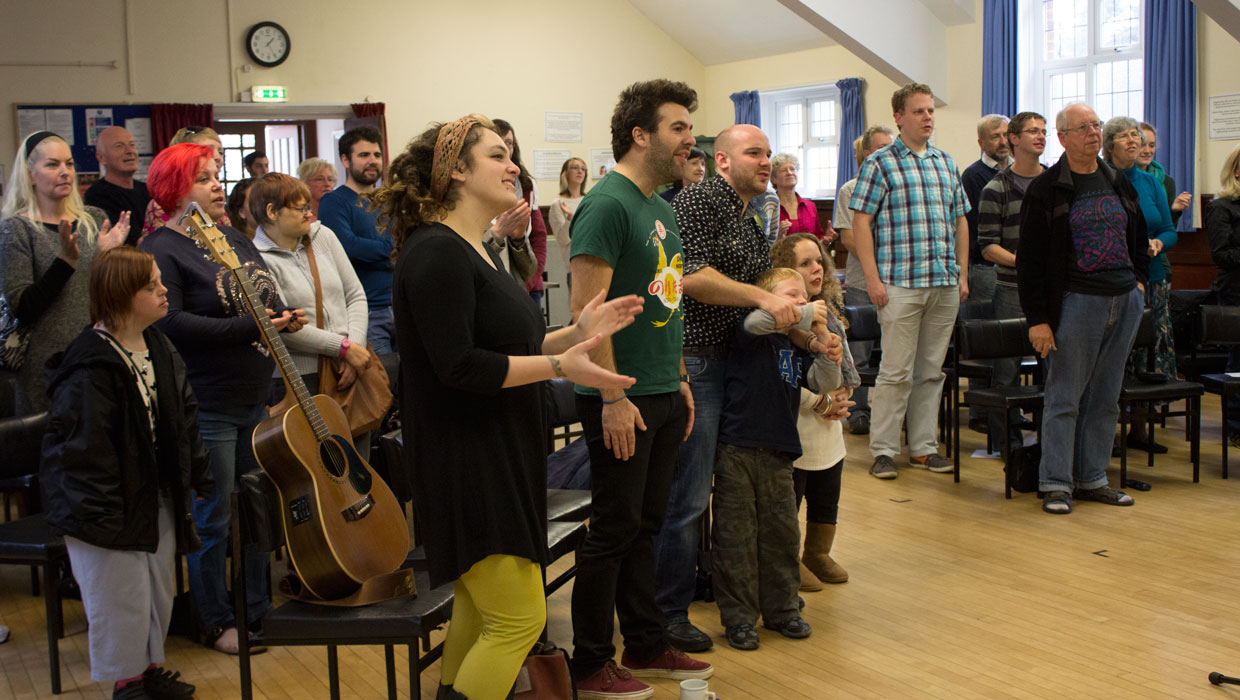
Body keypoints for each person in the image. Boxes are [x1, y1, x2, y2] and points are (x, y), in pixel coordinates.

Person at [375, 114, 644, 700]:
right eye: (497, 155)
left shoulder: (479, 248)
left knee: (479, 617)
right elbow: (461, 366)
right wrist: (556, 367)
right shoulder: (436, 254)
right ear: (456, 171)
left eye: (510, 154)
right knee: (517, 621)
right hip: (467, 459)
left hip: (501, 452)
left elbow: (512, 348)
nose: (513, 165)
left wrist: (576, 335)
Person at [659, 123, 836, 653]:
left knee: (723, 503)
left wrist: (811, 339)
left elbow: (769, 291)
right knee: (689, 498)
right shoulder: (698, 202)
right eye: (753, 153)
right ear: (721, 161)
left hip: (737, 360)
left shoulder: (754, 214)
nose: (765, 162)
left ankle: (740, 595)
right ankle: (669, 611)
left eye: (767, 153)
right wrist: (763, 304)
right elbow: (686, 275)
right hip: (699, 359)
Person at [568, 79, 713, 699]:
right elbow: (586, 313)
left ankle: (647, 642)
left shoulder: (658, 204)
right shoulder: (606, 204)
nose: (688, 139)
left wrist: (677, 377)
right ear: (640, 134)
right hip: (617, 391)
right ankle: (590, 660)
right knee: (613, 527)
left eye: (688, 128)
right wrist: (611, 397)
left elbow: (669, 299)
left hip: (657, 386)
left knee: (647, 523)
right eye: (678, 127)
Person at [140, 143, 304, 654]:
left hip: (254, 395)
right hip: (207, 401)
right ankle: (212, 618)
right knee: (212, 518)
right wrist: (246, 327)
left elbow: (265, 293)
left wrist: (283, 316)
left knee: (256, 509)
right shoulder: (161, 249)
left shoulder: (232, 237)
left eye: (216, 175)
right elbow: (169, 321)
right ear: (174, 190)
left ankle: (257, 608)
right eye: (203, 178)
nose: (217, 185)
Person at [41, 245, 209, 700]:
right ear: (120, 295)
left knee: (156, 592)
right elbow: (83, 454)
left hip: (151, 493)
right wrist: (102, 517)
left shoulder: (156, 343)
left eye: (160, 280)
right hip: (102, 506)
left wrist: (195, 473)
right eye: (151, 284)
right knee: (120, 601)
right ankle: (127, 685)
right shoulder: (90, 364)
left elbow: (183, 414)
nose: (162, 289)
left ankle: (148, 673)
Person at [1016, 102, 1148, 515]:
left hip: (1122, 298)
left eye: (1097, 125)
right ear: (1064, 138)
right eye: (1084, 127)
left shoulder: (1116, 180)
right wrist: (1038, 319)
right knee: (1064, 396)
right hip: (1076, 302)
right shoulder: (1047, 187)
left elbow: (1138, 233)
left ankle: (1092, 477)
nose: (1094, 132)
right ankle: (1056, 481)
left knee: (1106, 396)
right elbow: (1030, 261)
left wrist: (1139, 282)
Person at [711, 267, 840, 650]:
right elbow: (758, 319)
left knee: (782, 534)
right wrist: (802, 314)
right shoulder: (753, 333)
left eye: (804, 296)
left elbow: (824, 383)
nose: (802, 301)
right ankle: (739, 618)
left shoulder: (792, 346)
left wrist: (823, 343)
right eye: (792, 295)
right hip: (737, 449)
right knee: (736, 537)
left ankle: (783, 610)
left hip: (780, 453)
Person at [850, 83, 969, 479]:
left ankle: (923, 447)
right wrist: (872, 278)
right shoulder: (880, 163)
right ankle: (884, 450)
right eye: (919, 111)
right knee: (895, 372)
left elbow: (961, 220)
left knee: (931, 371)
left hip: (943, 282)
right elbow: (861, 221)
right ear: (899, 117)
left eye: (931, 111)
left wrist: (962, 273)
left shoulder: (945, 162)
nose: (928, 117)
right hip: (899, 282)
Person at [0, 130, 128, 415]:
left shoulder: (94, 220)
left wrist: (108, 258)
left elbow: (109, 298)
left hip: (96, 355)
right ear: (30, 175)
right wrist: (65, 262)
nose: (64, 172)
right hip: (45, 367)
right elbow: (23, 306)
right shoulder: (16, 230)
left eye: (69, 164)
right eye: (52, 164)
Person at [250, 173, 372, 456]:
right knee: (316, 470)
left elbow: (355, 295)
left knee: (360, 466)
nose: (310, 213)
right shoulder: (255, 258)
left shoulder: (323, 236)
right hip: (299, 380)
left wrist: (354, 348)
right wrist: (343, 348)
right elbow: (283, 328)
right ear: (271, 212)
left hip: (349, 371)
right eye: (301, 208)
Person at [769, 234, 859, 592]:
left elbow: (845, 361)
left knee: (827, 491)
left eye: (818, 260)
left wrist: (844, 395)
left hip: (829, 426)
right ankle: (788, 557)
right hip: (800, 422)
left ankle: (817, 552)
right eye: (805, 264)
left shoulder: (829, 311)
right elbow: (785, 378)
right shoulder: (783, 322)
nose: (816, 268)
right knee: (794, 494)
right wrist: (821, 402)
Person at [1103, 117, 1178, 452]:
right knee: (1118, 354)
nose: (1134, 141)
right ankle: (1109, 429)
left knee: (1149, 353)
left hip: (1154, 278)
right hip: (1116, 279)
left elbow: (1169, 229)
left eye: (1137, 135)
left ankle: (1141, 429)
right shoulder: (1101, 179)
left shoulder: (1151, 182)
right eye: (1125, 136)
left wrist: (1159, 243)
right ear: (1109, 144)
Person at [977, 111, 1047, 453]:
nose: (1041, 136)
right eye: (1033, 130)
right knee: (1006, 371)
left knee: (1054, 370)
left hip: (1052, 292)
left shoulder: (1055, 183)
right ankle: (1010, 447)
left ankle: (1050, 445)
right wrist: (1025, 263)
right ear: (1014, 140)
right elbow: (987, 246)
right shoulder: (996, 188)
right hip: (1011, 290)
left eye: (1044, 131)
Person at [836, 125, 894, 437]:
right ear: (868, 154)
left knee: (894, 353)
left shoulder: (900, 187)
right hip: (863, 282)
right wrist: (882, 265)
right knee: (859, 352)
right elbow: (849, 238)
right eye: (884, 146)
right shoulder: (851, 189)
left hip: (899, 283)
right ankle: (858, 410)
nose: (891, 151)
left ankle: (890, 413)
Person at [318, 126, 396, 353]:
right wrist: (391, 249)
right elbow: (347, 248)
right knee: (380, 383)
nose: (372, 161)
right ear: (345, 160)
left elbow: (406, 244)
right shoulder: (334, 202)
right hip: (368, 313)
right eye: (364, 155)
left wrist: (377, 251)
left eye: (377, 155)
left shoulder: (389, 201)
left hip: (400, 307)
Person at [959, 114, 1011, 432]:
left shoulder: (1019, 173)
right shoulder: (974, 176)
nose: (1003, 141)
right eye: (995, 136)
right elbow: (979, 224)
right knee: (985, 337)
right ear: (982, 142)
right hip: (984, 267)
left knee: (1007, 340)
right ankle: (980, 408)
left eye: (1006, 134)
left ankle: (1003, 404)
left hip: (1011, 267)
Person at [494, 120, 549, 308]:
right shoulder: (480, 187)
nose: (505, 148)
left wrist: (531, 281)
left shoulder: (526, 185)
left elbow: (538, 237)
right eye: (499, 143)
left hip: (525, 282)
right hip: (495, 285)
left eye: (509, 143)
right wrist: (499, 233)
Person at [140, 126, 228, 240]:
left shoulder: (216, 202)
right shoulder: (161, 206)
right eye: (207, 150)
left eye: (220, 152)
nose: (217, 157)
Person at [1207, 145, 1240, 446]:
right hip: (1236, 292)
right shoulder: (1221, 208)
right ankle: (1235, 425)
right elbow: (1222, 254)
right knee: (1239, 356)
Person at [85, 126, 149, 246]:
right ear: (101, 158)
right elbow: (134, 243)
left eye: (132, 145)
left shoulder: (148, 190)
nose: (129, 151)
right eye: (119, 146)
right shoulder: (97, 196)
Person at [1136, 122, 1193, 227]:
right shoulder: (1121, 178)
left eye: (1152, 145)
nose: (1147, 151)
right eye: (1142, 145)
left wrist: (1174, 209)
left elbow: (1169, 227)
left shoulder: (1167, 182)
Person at [549, 157, 588, 285]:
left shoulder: (590, 199)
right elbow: (563, 239)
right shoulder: (558, 204)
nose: (580, 171)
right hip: (575, 267)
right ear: (565, 173)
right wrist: (570, 218)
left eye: (583, 169)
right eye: (575, 167)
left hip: (596, 260)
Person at [771, 153, 826, 241]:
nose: (789, 173)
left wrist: (826, 241)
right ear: (773, 179)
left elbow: (818, 238)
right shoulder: (768, 207)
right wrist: (778, 237)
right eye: (783, 170)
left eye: (792, 169)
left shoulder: (810, 206)